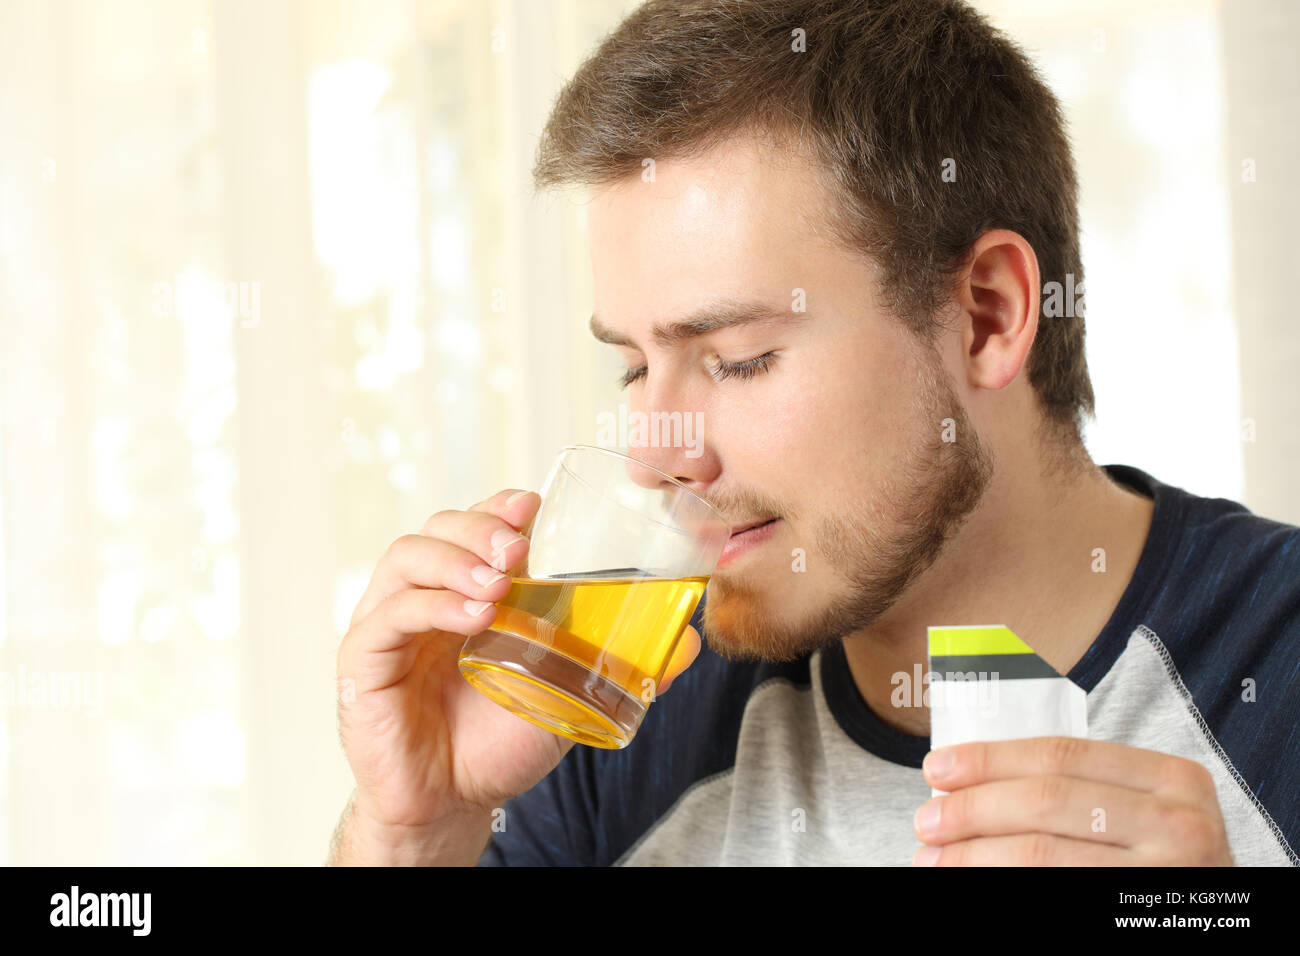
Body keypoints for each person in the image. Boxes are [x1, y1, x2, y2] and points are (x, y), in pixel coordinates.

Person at [328, 0, 1300, 866]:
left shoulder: (1278, 668)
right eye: (633, 364)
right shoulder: (621, 719)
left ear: (987, 315)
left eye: (738, 355)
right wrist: (412, 832)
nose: (653, 453)